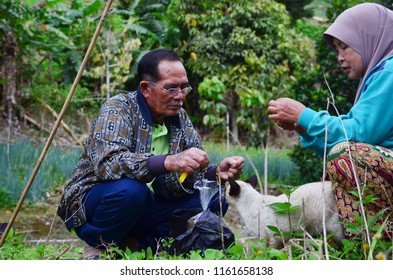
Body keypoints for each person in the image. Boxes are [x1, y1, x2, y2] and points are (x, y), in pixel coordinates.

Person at [57, 49, 244, 259]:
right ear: (146, 88)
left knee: (216, 198)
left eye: (184, 88)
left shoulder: (180, 118)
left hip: (147, 205)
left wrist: (216, 173)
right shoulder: (118, 109)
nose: (180, 96)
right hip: (98, 201)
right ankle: (98, 245)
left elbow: (190, 177)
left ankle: (141, 244)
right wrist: (169, 161)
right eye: (171, 88)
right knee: (132, 191)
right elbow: (109, 165)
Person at [268, 3, 393, 239]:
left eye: (345, 47)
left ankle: (364, 240)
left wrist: (304, 114)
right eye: (337, 50)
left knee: (346, 155)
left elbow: (357, 134)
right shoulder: (382, 72)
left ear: (370, 37)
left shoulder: (390, 72)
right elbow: (350, 139)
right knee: (342, 154)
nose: (340, 57)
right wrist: (303, 126)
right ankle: (369, 243)